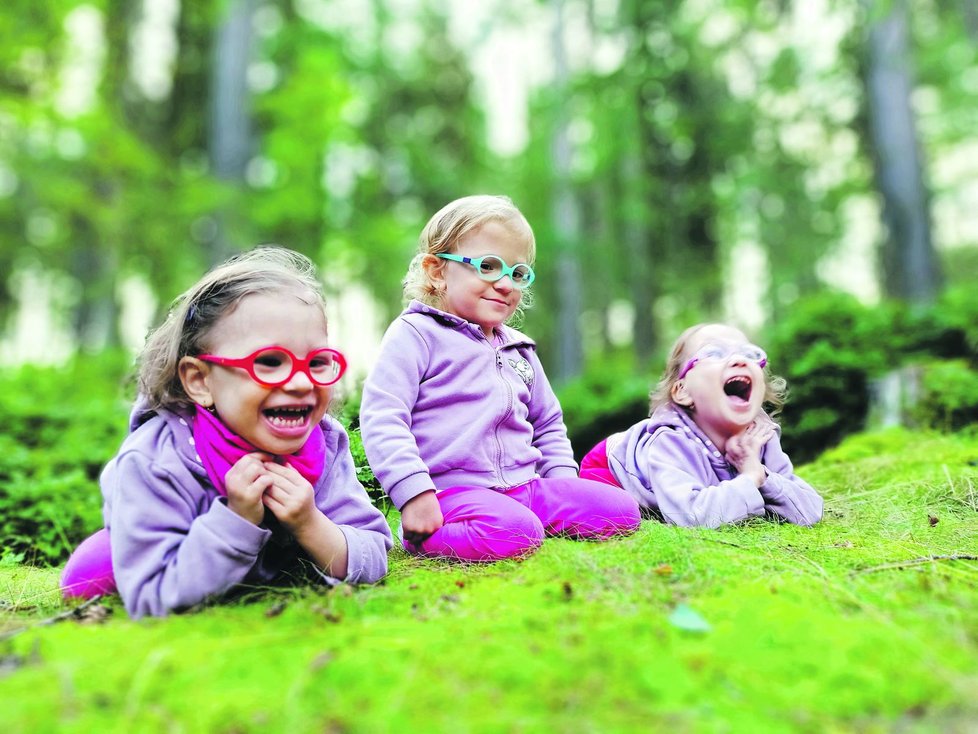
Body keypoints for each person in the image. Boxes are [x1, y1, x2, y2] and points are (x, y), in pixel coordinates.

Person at [60, 247, 392, 617]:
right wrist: (236, 521)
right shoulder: (157, 460)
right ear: (200, 381)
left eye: (316, 362)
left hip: (267, 563)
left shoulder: (324, 444)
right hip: (173, 550)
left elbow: (375, 553)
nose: (300, 382)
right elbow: (154, 598)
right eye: (268, 362)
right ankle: (117, 549)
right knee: (88, 575)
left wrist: (311, 524)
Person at [359, 195, 641, 562]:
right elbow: (383, 417)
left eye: (518, 273)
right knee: (515, 531)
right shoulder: (416, 335)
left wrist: (561, 479)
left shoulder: (518, 349)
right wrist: (413, 494)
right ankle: (426, 538)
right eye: (489, 266)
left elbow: (548, 422)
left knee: (621, 510)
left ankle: (525, 524)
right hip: (452, 494)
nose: (506, 284)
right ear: (437, 271)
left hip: (527, 488)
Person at [580, 322, 823, 528]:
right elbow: (691, 516)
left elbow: (809, 510)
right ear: (683, 391)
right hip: (609, 470)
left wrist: (762, 475)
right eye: (715, 353)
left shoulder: (760, 437)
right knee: (618, 513)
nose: (739, 359)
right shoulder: (669, 440)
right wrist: (749, 479)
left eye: (750, 354)